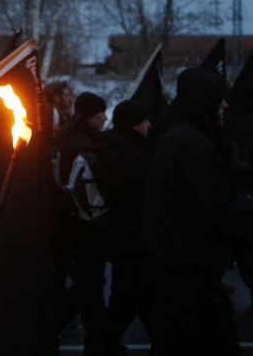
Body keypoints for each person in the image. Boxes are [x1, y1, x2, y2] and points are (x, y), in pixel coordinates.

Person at [140, 68, 253, 356]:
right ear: (204, 100)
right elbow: (216, 215)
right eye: (219, 97)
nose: (225, 105)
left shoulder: (173, 138)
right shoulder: (196, 147)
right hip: (193, 275)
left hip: (172, 268)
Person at [93, 100, 153, 355]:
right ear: (134, 124)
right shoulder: (127, 155)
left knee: (130, 299)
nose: (150, 125)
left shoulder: (117, 148)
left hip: (122, 236)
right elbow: (142, 196)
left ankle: (103, 346)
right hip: (131, 237)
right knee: (130, 299)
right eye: (145, 120)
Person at [54, 92, 108, 353]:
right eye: (101, 114)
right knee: (88, 285)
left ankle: (97, 340)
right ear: (90, 115)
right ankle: (51, 324)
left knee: (91, 285)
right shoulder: (84, 144)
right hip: (85, 226)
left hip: (73, 225)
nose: (105, 119)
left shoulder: (70, 138)